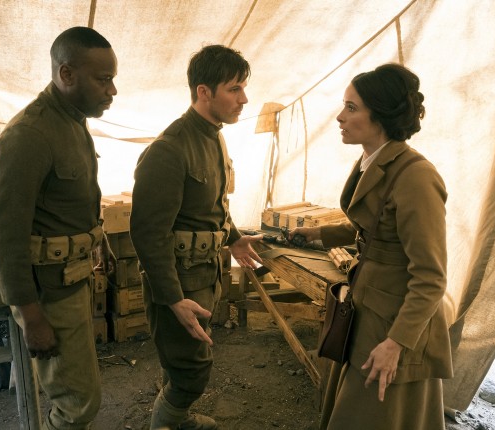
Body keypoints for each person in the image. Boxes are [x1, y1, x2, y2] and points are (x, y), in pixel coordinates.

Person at [290, 63, 453, 430]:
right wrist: (321, 235)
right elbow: (376, 225)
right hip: (367, 307)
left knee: (374, 415)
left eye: (351, 108)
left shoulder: (416, 177)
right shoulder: (373, 161)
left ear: (380, 115)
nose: (340, 117)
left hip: (396, 320)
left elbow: (431, 278)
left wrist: (396, 343)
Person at [0, 26, 117, 430]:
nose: (112, 91)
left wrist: (99, 240)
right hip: (47, 294)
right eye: (103, 80)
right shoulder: (30, 135)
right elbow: (2, 235)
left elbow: (68, 202)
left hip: (70, 281)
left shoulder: (72, 121)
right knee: (77, 404)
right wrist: (32, 316)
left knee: (79, 395)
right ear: (67, 74)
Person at [130, 44, 263, 430]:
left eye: (243, 88)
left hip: (205, 274)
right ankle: (165, 422)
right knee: (192, 370)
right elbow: (148, 234)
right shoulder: (169, 150)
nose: (244, 98)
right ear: (204, 92)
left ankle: (178, 418)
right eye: (234, 89)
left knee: (182, 360)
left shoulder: (214, 136)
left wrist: (233, 237)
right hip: (179, 282)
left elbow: (213, 203)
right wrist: (173, 299)